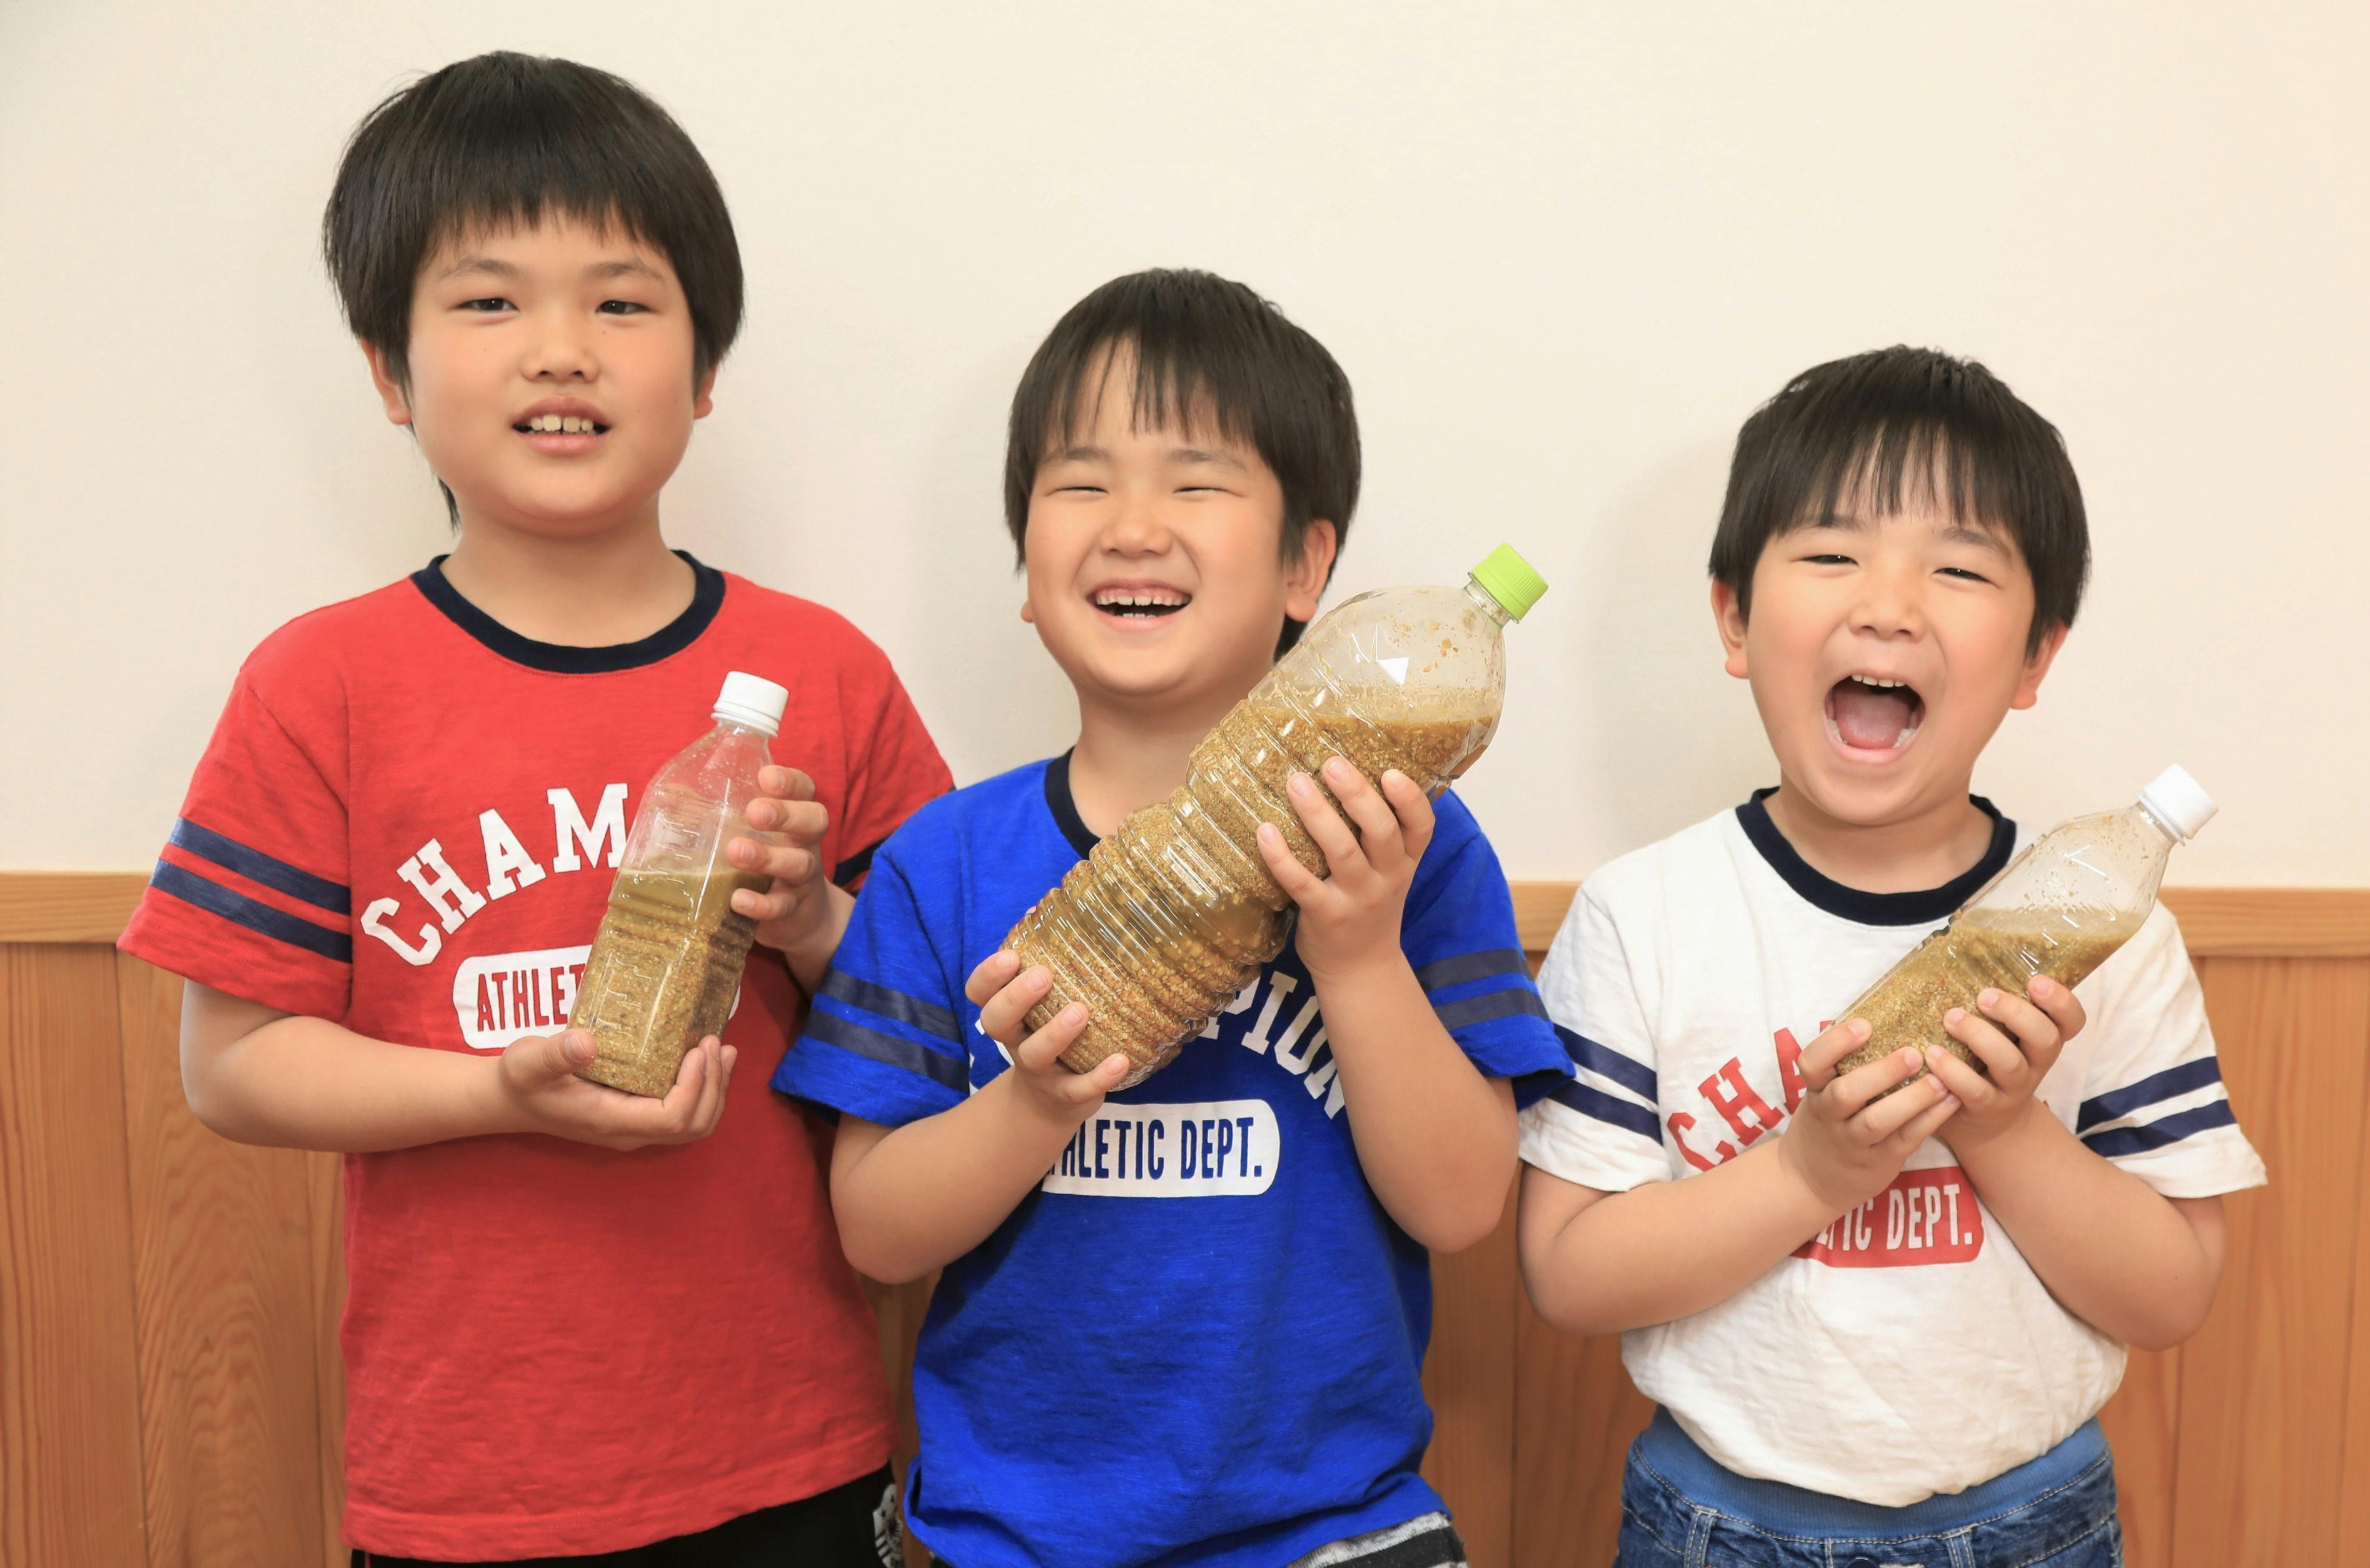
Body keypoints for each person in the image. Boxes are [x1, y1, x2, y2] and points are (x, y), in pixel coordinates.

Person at [118, 52, 947, 1566]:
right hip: (469, 1476)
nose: (560, 352)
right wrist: (496, 1093)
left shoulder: (822, 677)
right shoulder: (323, 686)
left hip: (788, 1446)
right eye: (490, 301)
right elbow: (231, 1068)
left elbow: (940, 1025)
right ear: (388, 373)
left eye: (621, 303)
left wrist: (817, 920)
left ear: (704, 368)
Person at [773, 268, 1570, 1568]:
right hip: (1015, 1533)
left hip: (1333, 1527)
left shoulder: (1406, 844)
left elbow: (1459, 1205)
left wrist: (1357, 958)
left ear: (1306, 567)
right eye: (1080, 483)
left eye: (1196, 485)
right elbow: (875, 1233)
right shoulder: (946, 862)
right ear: (1025, 570)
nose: (1133, 527)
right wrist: (1036, 1102)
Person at [1516, 346, 2267, 1567]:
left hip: (2034, 1520)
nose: (1888, 605)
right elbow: (1566, 1275)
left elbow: (2171, 1294)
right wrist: (1806, 1174)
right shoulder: (1641, 915)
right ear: (1732, 618)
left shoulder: (2109, 940)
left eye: (1958, 569)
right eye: (1831, 554)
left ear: (2034, 659)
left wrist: (2004, 1128)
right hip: (1717, 1521)